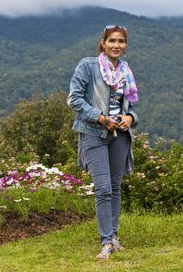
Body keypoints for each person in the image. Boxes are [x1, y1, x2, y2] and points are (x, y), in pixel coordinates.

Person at [67, 24, 139, 259]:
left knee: (115, 188)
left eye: (121, 41)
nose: (116, 45)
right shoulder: (88, 66)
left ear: (125, 45)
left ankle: (114, 238)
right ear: (103, 43)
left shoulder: (126, 71)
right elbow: (74, 100)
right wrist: (100, 118)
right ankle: (106, 241)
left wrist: (130, 118)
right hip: (94, 133)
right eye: (112, 41)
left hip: (120, 136)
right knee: (104, 189)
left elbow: (131, 106)